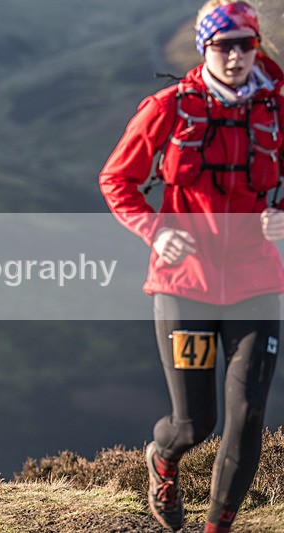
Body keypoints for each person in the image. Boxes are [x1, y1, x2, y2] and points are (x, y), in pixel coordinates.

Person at [100, 2, 283, 531]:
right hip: (186, 288)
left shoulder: (275, 108)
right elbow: (117, 180)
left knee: (248, 415)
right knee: (194, 423)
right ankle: (163, 458)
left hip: (257, 282)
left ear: (256, 47)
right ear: (205, 48)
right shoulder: (167, 108)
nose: (235, 55)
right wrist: (157, 230)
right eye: (223, 45)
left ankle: (217, 525)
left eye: (244, 44)